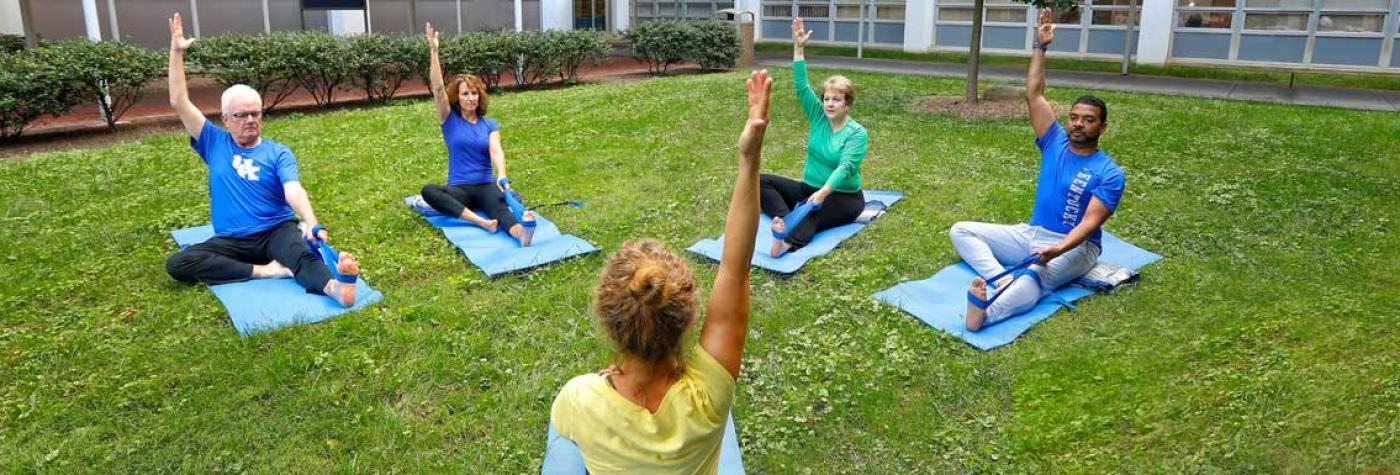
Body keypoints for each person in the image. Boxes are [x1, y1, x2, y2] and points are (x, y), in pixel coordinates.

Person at [547, 70, 772, 474]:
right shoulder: (708, 398)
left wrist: (610, 382)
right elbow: (734, 269)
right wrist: (749, 158)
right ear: (685, 319)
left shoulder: (577, 400)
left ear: (610, 323)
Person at [162, 13, 361, 307]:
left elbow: (293, 189)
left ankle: (335, 288)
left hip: (275, 231)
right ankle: (264, 271)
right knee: (179, 263)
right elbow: (179, 101)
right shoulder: (212, 142)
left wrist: (310, 221)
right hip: (233, 241)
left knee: (300, 252)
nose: (250, 120)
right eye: (242, 115)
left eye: (255, 113)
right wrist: (177, 52)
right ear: (226, 119)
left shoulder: (277, 152)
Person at [951, 10, 1126, 331]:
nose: (1078, 123)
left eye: (1088, 119)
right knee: (961, 230)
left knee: (1036, 276)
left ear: (1103, 127)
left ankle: (985, 314)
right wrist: (1040, 46)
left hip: (1078, 247)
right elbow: (1034, 93)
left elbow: (1088, 224)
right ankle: (998, 280)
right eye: (1074, 117)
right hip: (1033, 234)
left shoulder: (1110, 173)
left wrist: (1056, 250)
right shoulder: (1054, 141)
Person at [420, 23, 535, 247]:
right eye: (465, 94)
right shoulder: (449, 120)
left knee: (499, 207)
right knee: (429, 191)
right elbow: (437, 88)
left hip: (484, 186)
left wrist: (502, 176)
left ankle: (521, 232)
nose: (470, 98)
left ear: (479, 97)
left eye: (474, 93)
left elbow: (496, 151)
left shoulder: (489, 125)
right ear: (458, 97)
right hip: (459, 190)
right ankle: (479, 222)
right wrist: (434, 52)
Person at [761, 17, 869, 258]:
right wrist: (799, 47)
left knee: (812, 212)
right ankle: (786, 218)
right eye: (827, 98)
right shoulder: (819, 116)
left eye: (836, 99)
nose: (829, 104)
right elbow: (801, 86)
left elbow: (846, 167)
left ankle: (785, 242)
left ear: (847, 104)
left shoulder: (857, 133)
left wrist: (822, 193)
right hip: (808, 188)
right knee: (762, 182)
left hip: (843, 197)